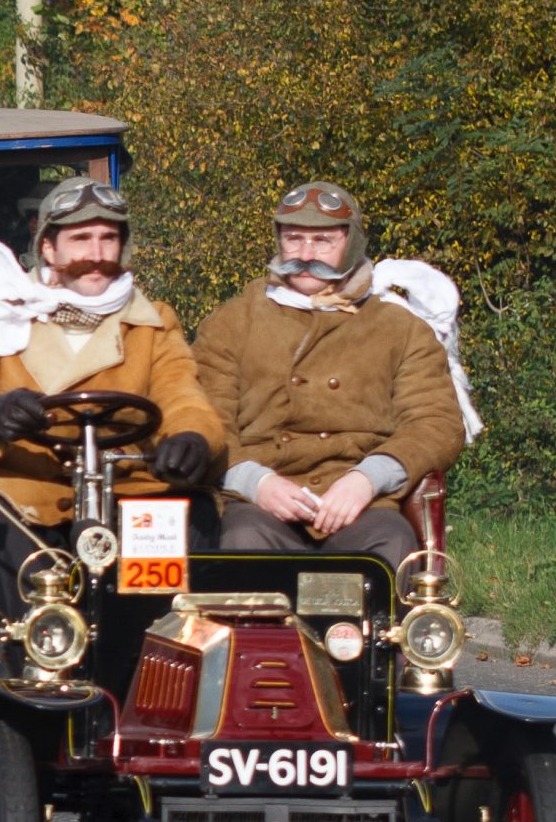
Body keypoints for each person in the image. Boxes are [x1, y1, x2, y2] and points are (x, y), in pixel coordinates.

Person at [0, 177, 222, 635]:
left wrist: (192, 439)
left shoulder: (152, 324)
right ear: (48, 249)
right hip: (24, 496)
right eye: (80, 239)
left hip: (126, 495)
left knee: (195, 521)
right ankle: (29, 662)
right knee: (4, 533)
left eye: (108, 238)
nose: (96, 253)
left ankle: (159, 663)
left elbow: (183, 397)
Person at [191, 181, 466, 568]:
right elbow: (203, 420)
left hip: (363, 507)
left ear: (351, 243)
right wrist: (255, 482)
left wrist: (368, 479)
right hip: (259, 505)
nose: (305, 254)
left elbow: (437, 422)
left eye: (322, 241)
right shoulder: (231, 322)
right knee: (240, 542)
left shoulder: (399, 328)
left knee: (392, 547)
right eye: (294, 239)